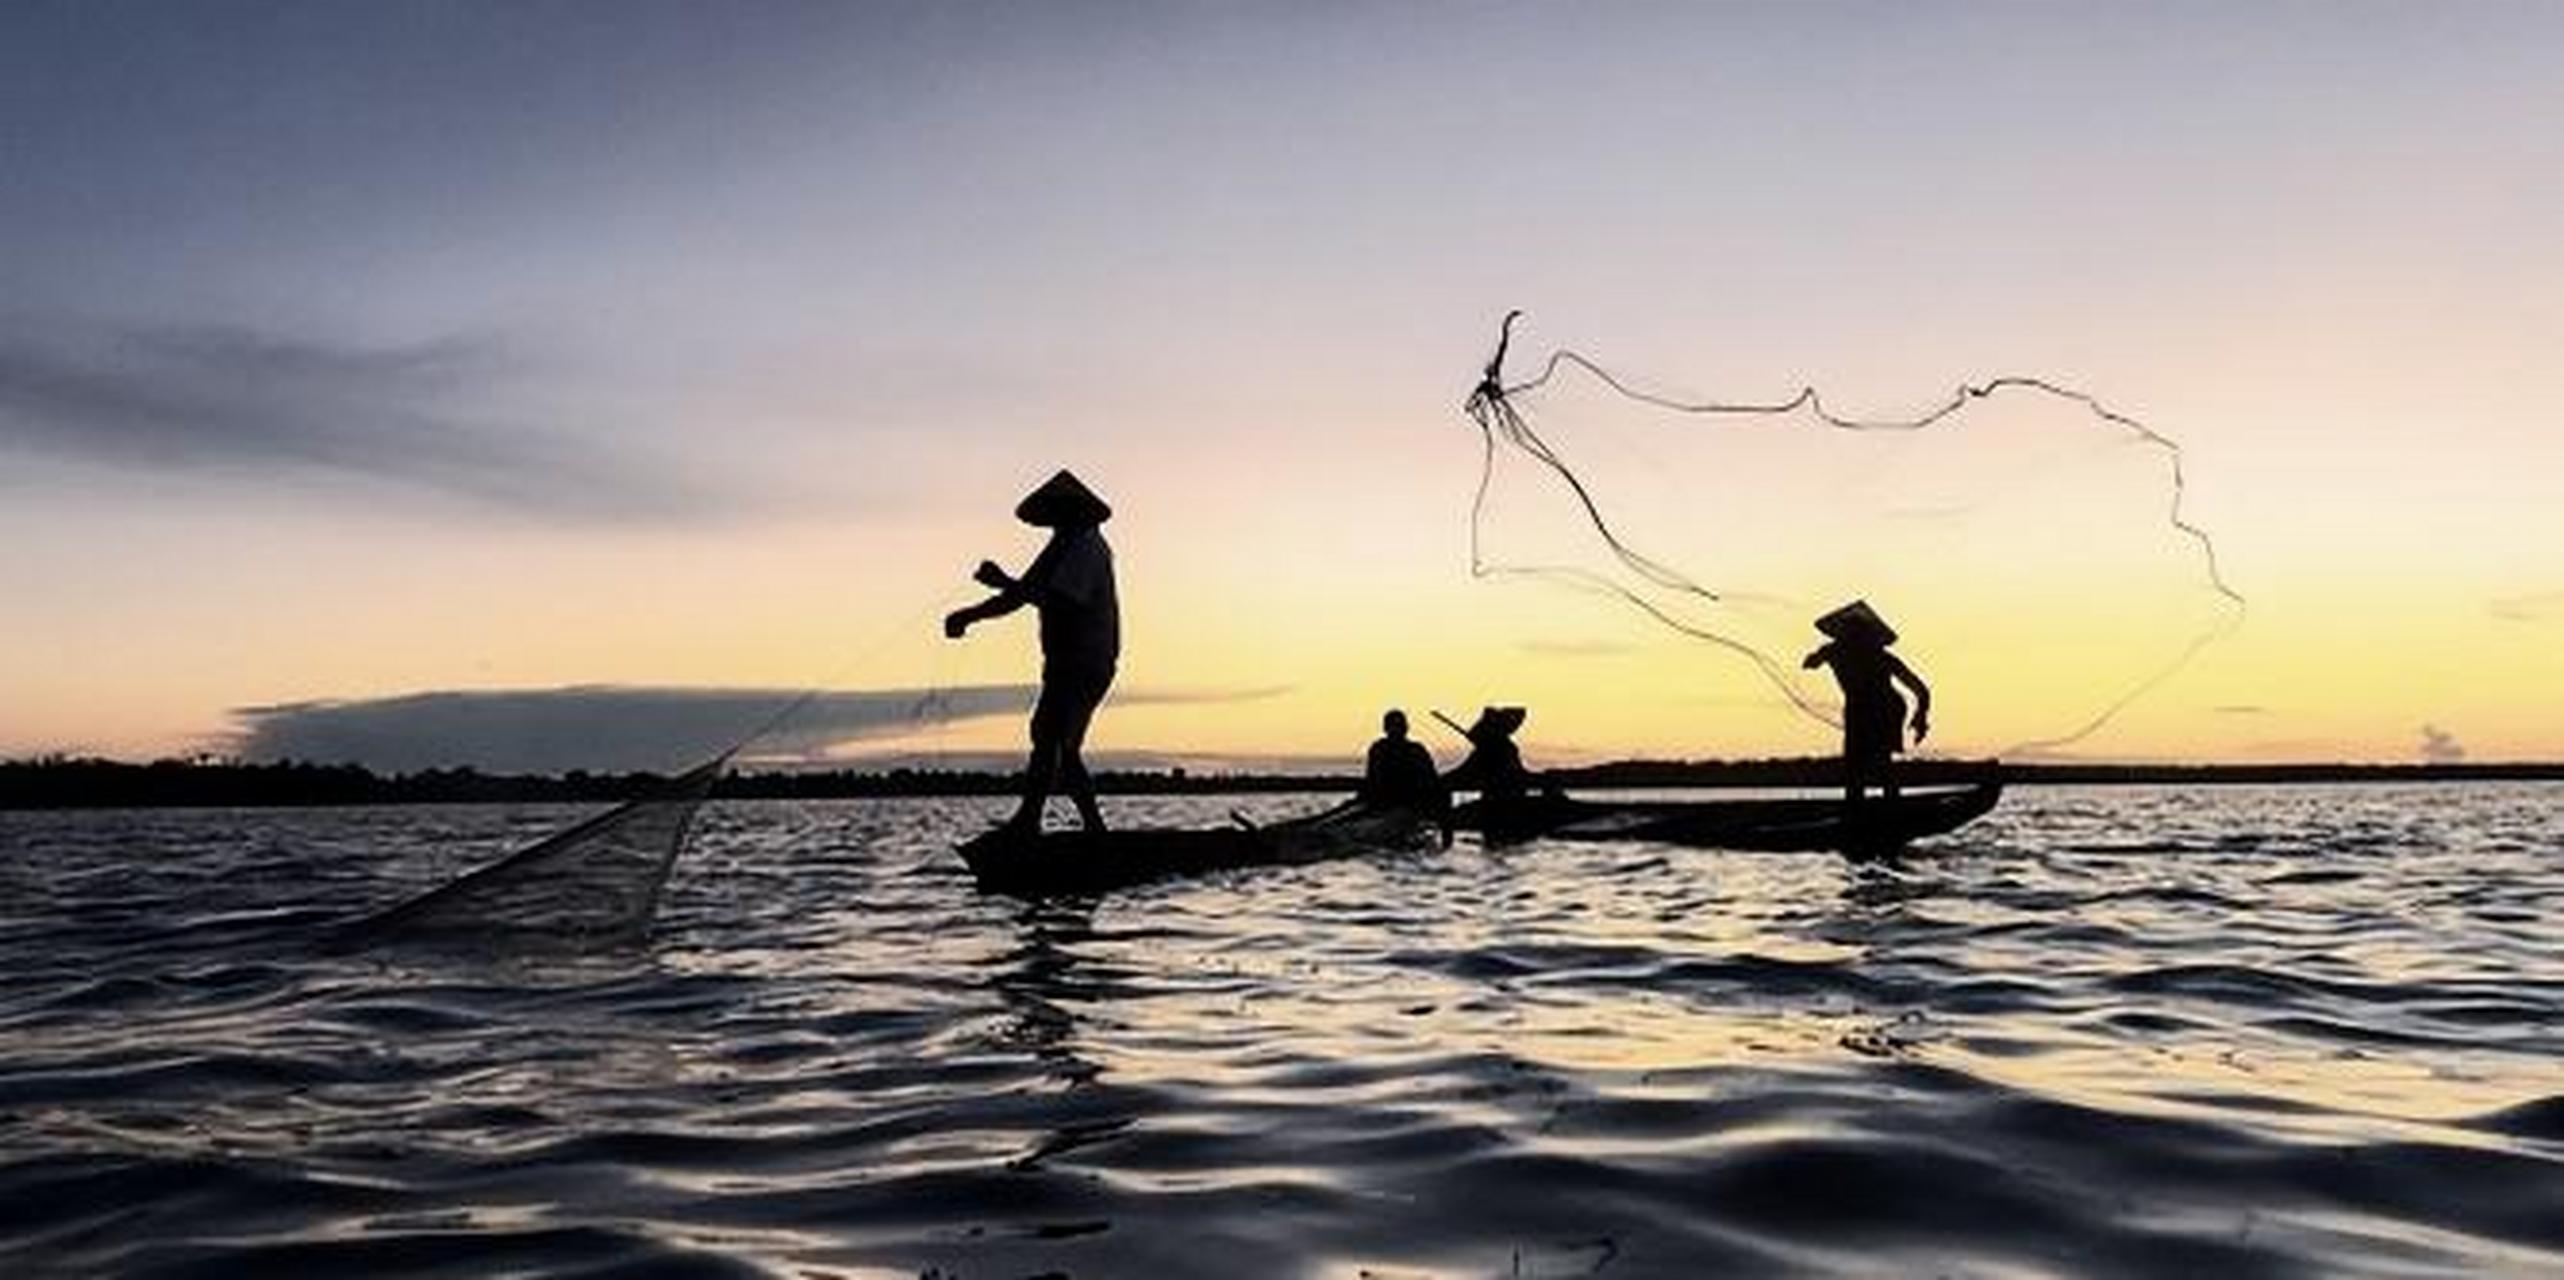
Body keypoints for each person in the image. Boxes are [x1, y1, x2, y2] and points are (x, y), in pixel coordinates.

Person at [945, 470, 1119, 835]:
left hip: (1084, 661)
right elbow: (1020, 596)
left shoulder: (1085, 546)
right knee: (1056, 742)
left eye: (1057, 511)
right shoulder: (1061, 545)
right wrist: (969, 616)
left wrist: (1004, 582)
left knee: (1053, 739)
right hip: (1066, 662)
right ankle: (1081, 828)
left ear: (1072, 510)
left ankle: (1037, 823)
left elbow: (1058, 600)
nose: (1052, 519)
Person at [1800, 600, 1930, 807]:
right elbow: (1811, 663)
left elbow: (1920, 689)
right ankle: (1857, 807)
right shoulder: (1834, 651)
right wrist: (1814, 659)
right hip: (1858, 709)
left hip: (1886, 708)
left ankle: (1888, 807)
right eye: (1850, 632)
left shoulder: (1879, 657)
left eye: (1857, 633)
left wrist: (1921, 715)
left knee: (1879, 761)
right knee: (1855, 763)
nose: (1853, 638)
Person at [1359, 709, 1450, 838]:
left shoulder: (1416, 750)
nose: (1396, 730)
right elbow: (1372, 778)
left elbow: (1431, 779)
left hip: (1411, 803)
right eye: (1393, 726)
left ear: (1406, 728)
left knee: (1443, 796)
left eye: (1399, 726)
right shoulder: (1378, 748)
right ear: (1385, 729)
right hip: (1383, 802)